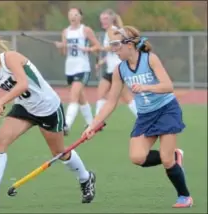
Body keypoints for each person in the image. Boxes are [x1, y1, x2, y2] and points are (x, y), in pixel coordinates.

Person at [0, 32, 96, 207]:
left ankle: (86, 178)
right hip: (25, 108)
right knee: (0, 143)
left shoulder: (10, 58)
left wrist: (2, 101)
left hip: (48, 108)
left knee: (59, 153)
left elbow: (23, 84)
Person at [82, 26, 193, 208]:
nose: (114, 50)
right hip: (145, 116)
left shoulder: (150, 59)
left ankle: (184, 196)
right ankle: (175, 155)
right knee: (137, 157)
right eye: (112, 45)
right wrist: (93, 125)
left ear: (130, 44)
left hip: (166, 110)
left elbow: (168, 86)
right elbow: (111, 102)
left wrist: (146, 87)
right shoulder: (120, 70)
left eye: (117, 45)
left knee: (166, 161)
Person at [55, 7, 101, 135]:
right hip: (70, 68)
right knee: (80, 97)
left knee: (73, 96)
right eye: (70, 15)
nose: (73, 17)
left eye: (75, 14)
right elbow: (64, 52)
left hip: (82, 67)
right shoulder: (65, 32)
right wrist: (60, 47)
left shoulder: (85, 30)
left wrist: (88, 49)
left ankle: (67, 125)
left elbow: (98, 46)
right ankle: (92, 123)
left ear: (80, 17)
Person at [95, 9, 137, 118]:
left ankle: (143, 118)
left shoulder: (112, 31)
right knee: (101, 94)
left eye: (106, 19)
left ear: (112, 19)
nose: (103, 21)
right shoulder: (108, 31)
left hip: (117, 69)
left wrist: (100, 48)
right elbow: (112, 53)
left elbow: (115, 46)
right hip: (111, 69)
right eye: (102, 19)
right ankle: (97, 122)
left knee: (126, 97)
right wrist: (101, 62)